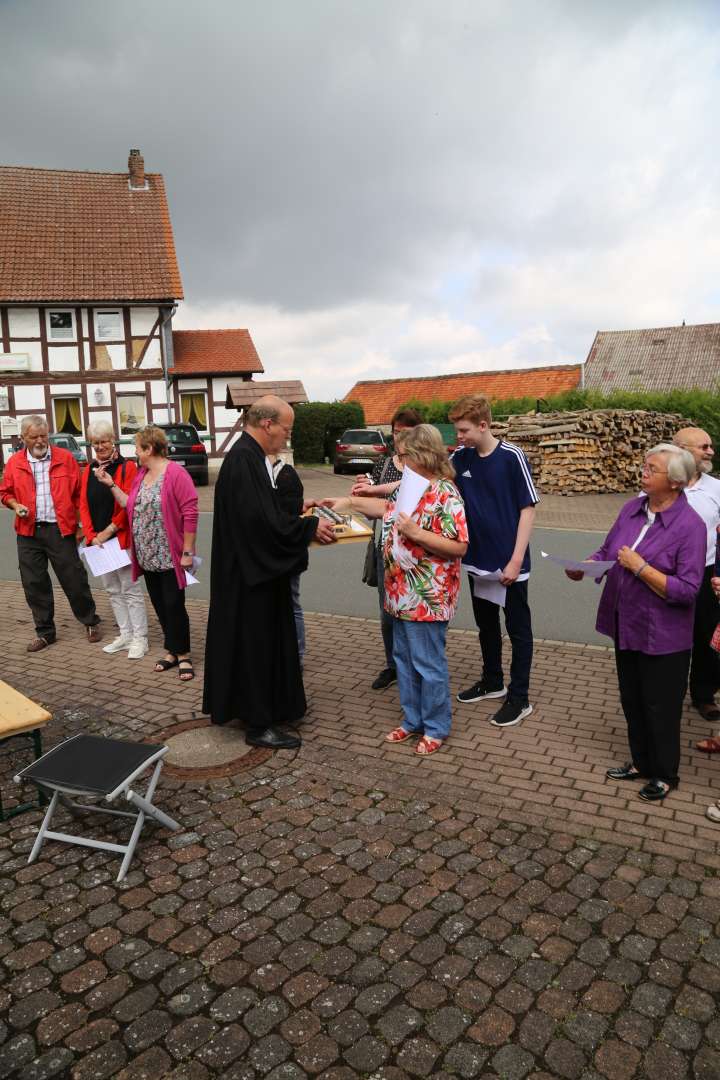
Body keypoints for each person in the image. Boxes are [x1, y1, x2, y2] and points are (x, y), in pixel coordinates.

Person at [567, 444, 705, 802]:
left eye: (652, 468)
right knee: (633, 699)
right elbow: (608, 550)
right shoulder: (632, 508)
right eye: (644, 464)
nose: (642, 471)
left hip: (664, 635)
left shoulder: (690, 526)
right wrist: (585, 564)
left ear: (675, 482)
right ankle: (641, 762)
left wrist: (641, 568)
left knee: (661, 706)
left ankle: (664, 773)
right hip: (625, 623)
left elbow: (688, 590)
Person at [202, 396, 336, 749]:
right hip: (249, 579)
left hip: (252, 574)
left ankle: (269, 708)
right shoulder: (245, 459)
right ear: (267, 425)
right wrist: (308, 529)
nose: (286, 438)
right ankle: (259, 724)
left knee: (262, 645)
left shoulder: (250, 456)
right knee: (256, 648)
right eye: (286, 430)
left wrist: (296, 510)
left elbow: (265, 509)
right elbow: (259, 524)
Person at [326, 424, 468, 755]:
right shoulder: (410, 487)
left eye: (403, 455)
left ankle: (436, 727)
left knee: (427, 663)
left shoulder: (446, 493)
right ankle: (412, 719)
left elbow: (459, 547)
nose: (399, 461)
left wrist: (416, 533)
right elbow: (385, 510)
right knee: (403, 658)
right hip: (399, 593)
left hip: (427, 598)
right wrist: (346, 503)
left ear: (423, 455)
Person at [449, 395, 538, 728]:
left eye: (464, 430)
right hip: (477, 562)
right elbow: (430, 481)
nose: (459, 437)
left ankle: (519, 698)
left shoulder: (512, 456)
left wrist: (516, 560)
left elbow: (528, 509)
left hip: (509, 565)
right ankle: (492, 681)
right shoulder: (461, 456)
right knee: (486, 625)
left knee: (518, 630)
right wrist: (377, 491)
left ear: (483, 425)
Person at [96, 425, 198, 681]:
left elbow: (190, 513)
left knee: (175, 605)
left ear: (149, 448)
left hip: (170, 554)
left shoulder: (175, 473)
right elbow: (130, 504)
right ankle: (172, 650)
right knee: (160, 604)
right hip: (147, 555)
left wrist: (187, 552)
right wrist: (110, 485)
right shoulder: (143, 474)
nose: (135, 453)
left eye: (138, 448)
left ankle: (183, 654)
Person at [0, 414, 102, 651]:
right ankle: (45, 632)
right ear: (24, 437)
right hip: (28, 533)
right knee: (34, 583)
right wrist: (16, 506)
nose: (39, 441)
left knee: (74, 579)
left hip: (61, 529)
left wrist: (79, 526)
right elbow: (5, 493)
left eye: (43, 435)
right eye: (34, 437)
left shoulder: (65, 459)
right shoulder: (14, 463)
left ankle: (90, 621)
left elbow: (79, 496)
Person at [352, 407, 422, 690]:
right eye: (395, 432)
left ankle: (414, 665)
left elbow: (411, 493)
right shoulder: (383, 464)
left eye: (405, 432)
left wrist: (374, 493)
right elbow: (374, 513)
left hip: (415, 550)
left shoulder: (422, 465)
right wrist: (361, 492)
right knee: (387, 611)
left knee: (414, 611)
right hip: (386, 547)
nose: (399, 438)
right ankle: (393, 665)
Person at [79, 420, 149, 660]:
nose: (100, 446)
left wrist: (108, 531)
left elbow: (128, 503)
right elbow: (83, 505)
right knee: (112, 590)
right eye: (95, 442)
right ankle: (125, 634)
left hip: (120, 538)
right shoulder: (88, 470)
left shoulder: (126, 467)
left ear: (113, 440)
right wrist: (90, 536)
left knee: (130, 590)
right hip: (98, 543)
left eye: (104, 441)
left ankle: (141, 639)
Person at [672, 428, 720, 732]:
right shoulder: (666, 484)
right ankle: (669, 693)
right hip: (668, 574)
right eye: (704, 446)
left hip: (708, 573)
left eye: (711, 446)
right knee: (672, 635)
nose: (711, 451)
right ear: (681, 450)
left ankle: (703, 694)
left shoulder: (717, 488)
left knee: (707, 636)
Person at [272, 455, 307, 667]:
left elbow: (288, 514)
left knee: (291, 604)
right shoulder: (264, 472)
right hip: (279, 552)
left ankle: (296, 657)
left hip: (288, 552)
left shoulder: (285, 474)